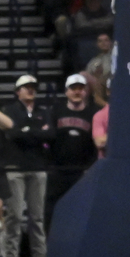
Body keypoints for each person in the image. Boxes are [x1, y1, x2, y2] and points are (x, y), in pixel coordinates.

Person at [1, 75, 52, 257]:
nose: (30, 90)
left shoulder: (43, 111)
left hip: (38, 167)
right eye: (26, 87)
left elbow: (50, 134)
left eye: (33, 87)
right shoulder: (10, 110)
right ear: (17, 91)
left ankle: (40, 256)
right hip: (15, 168)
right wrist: (35, 132)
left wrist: (26, 131)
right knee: (14, 214)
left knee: (37, 216)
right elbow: (12, 133)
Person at [47, 74, 97, 224]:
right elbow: (48, 138)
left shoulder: (93, 113)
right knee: (52, 208)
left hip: (82, 170)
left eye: (80, 89)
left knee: (80, 209)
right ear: (66, 91)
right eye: (73, 89)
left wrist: (90, 167)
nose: (77, 92)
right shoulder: (56, 111)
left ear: (85, 91)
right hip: (58, 169)